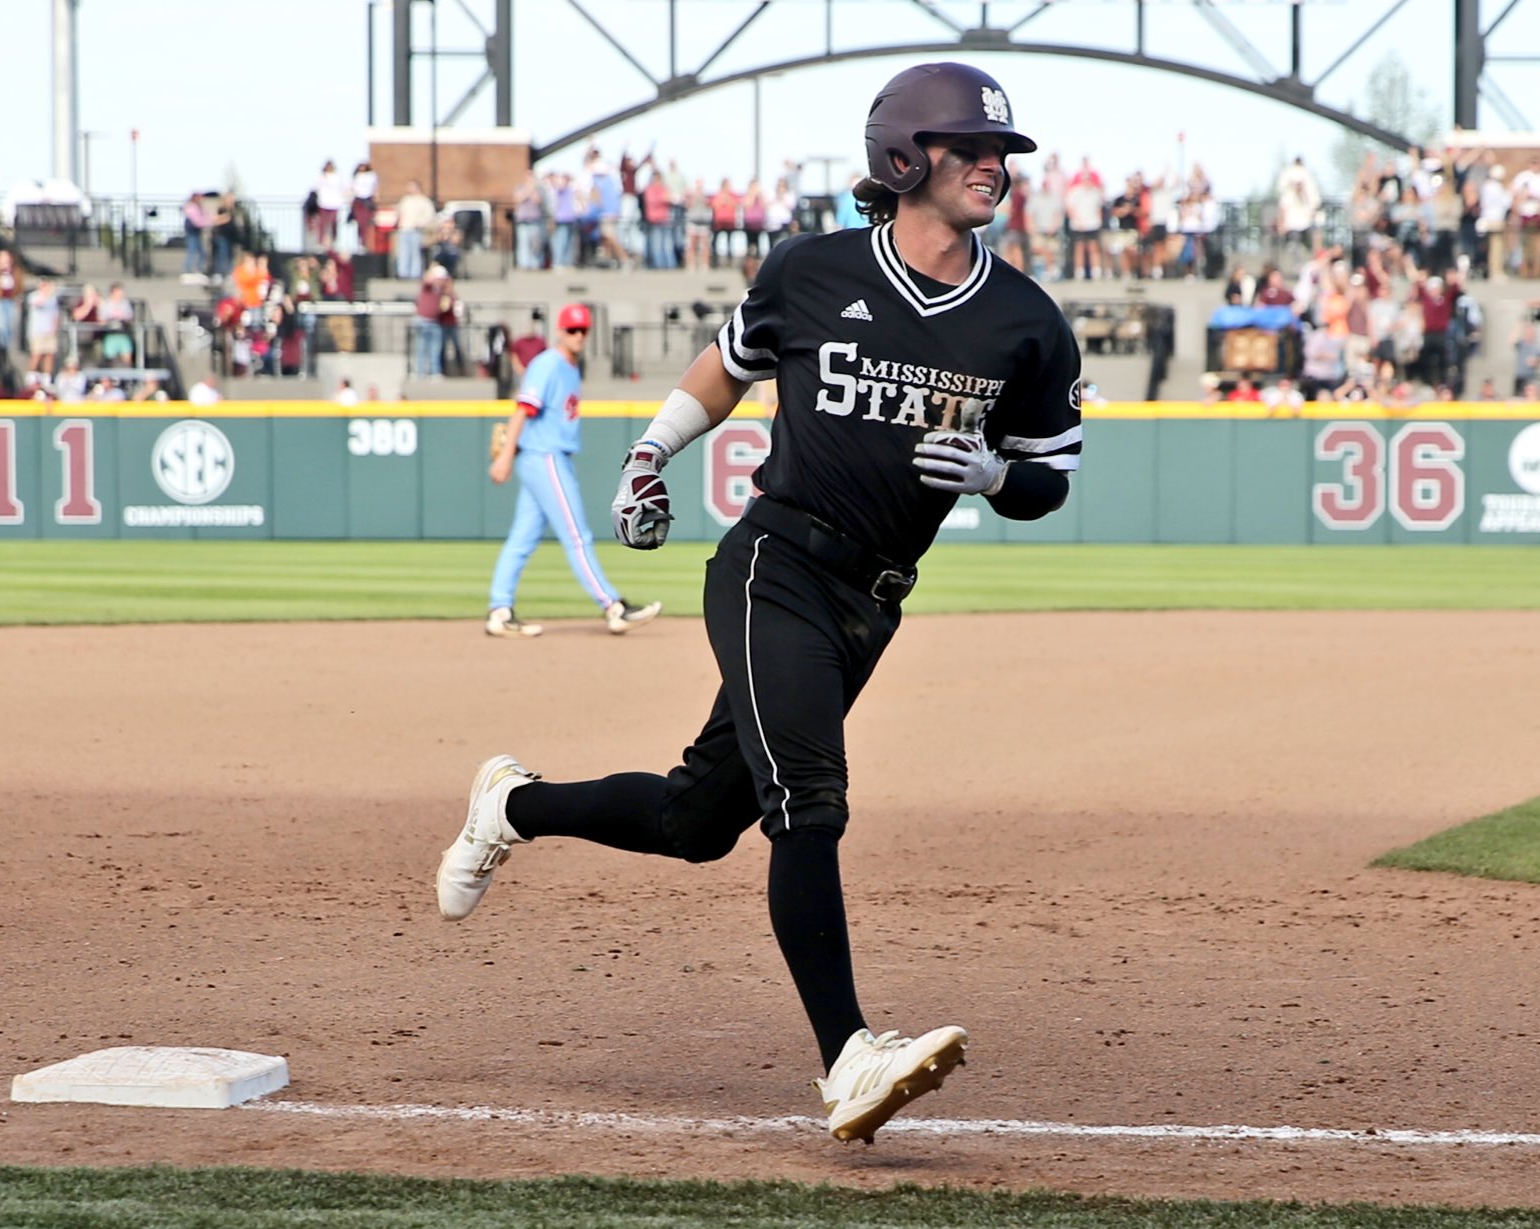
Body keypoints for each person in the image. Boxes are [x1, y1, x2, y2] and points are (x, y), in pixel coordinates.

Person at [434, 62, 1081, 1144]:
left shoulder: (1023, 320)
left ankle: (512, 804)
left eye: (999, 152)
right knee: (809, 801)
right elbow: (726, 368)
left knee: (697, 823)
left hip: (869, 602)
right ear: (901, 157)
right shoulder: (810, 272)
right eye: (967, 146)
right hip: (771, 567)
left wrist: (992, 478)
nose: (990, 166)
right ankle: (847, 1057)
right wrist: (650, 451)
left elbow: (1047, 475)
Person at [481, 302, 662, 638]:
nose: (579, 335)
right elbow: (522, 410)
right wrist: (506, 455)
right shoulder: (547, 364)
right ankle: (613, 606)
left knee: (522, 538)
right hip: (544, 457)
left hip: (550, 456)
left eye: (584, 330)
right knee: (578, 537)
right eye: (572, 329)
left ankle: (499, 610)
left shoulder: (571, 367)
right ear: (560, 331)